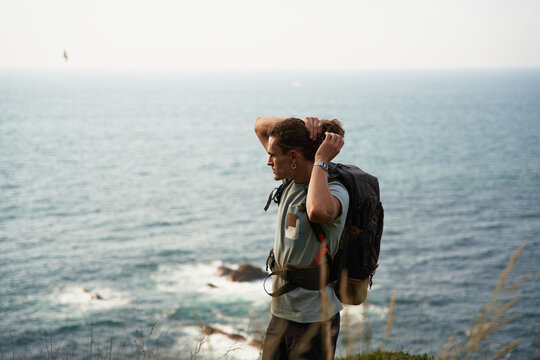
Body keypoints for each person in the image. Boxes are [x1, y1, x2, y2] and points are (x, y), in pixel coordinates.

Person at [254, 116, 349, 360]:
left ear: (293, 157)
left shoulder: (335, 190)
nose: (268, 160)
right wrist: (304, 124)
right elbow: (259, 125)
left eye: (273, 155)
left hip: (315, 319)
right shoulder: (292, 181)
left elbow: (317, 210)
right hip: (281, 313)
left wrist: (320, 160)